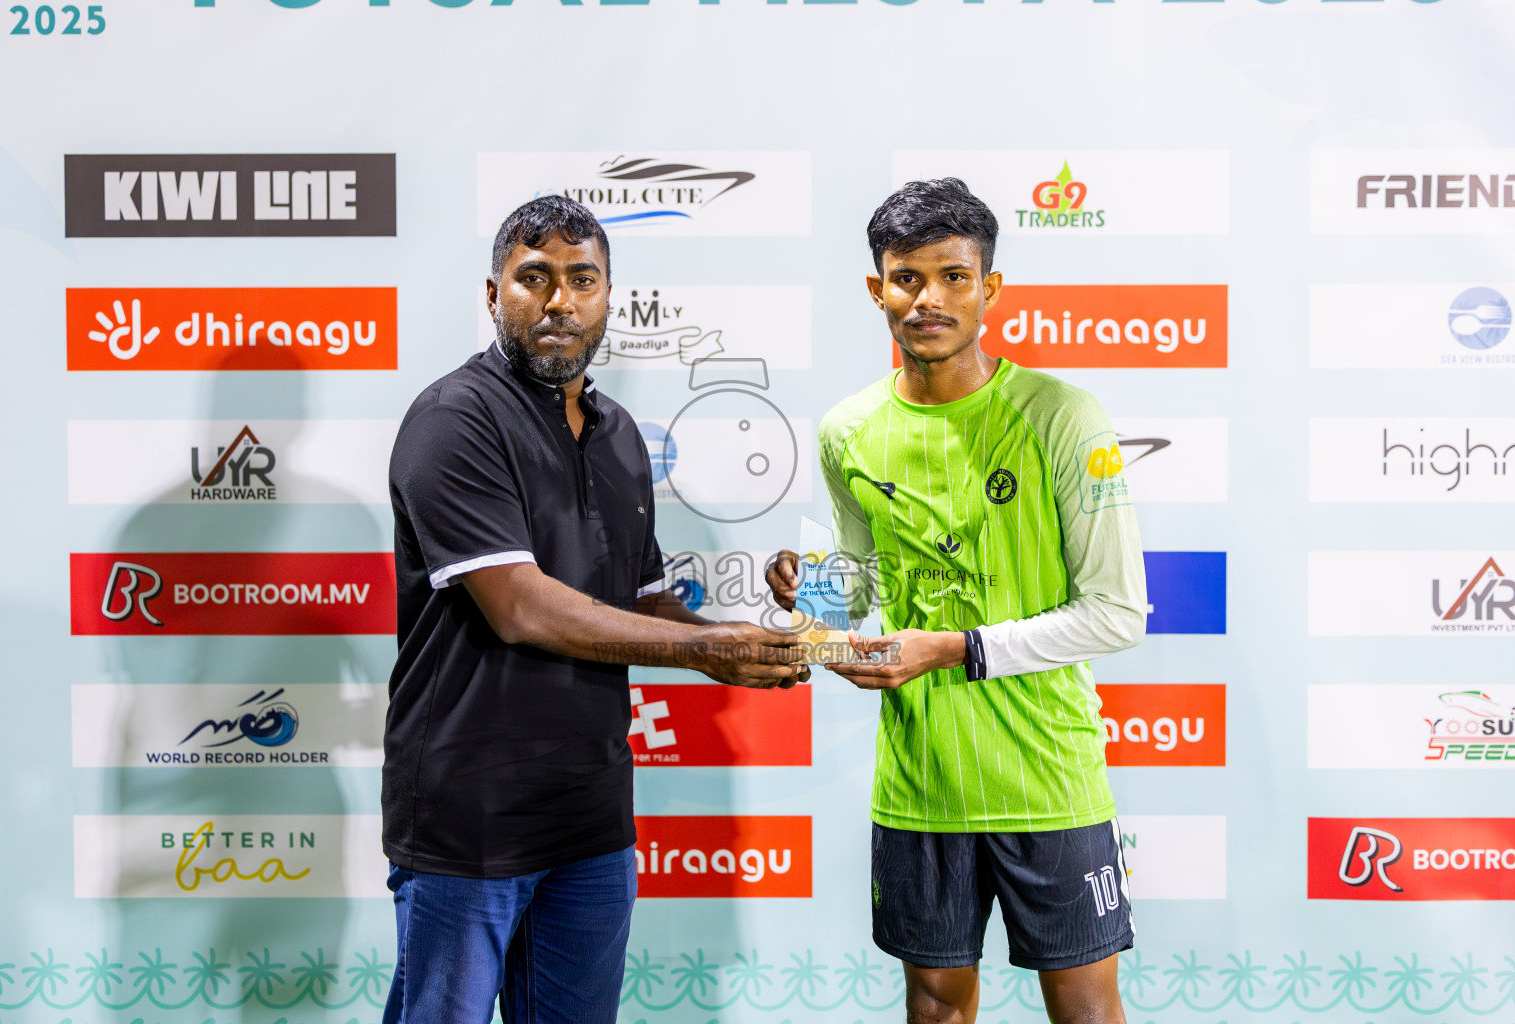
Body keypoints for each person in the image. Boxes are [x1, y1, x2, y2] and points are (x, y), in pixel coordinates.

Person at [383, 195, 807, 1024]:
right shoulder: (454, 420)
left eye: (582, 280)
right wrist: (702, 654)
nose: (559, 302)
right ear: (493, 293)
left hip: (590, 817)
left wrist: (745, 640)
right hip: (471, 817)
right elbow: (521, 608)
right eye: (532, 279)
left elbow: (639, 597)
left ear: (610, 297)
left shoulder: (616, 434)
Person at [767, 179, 1147, 1024]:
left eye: (953, 277)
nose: (928, 298)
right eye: (907, 278)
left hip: (1049, 775)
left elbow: (1117, 613)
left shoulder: (1063, 417)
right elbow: (859, 581)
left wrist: (954, 648)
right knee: (935, 1004)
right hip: (920, 780)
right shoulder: (848, 428)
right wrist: (813, 599)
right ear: (877, 289)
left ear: (990, 288)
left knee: (1086, 1008)